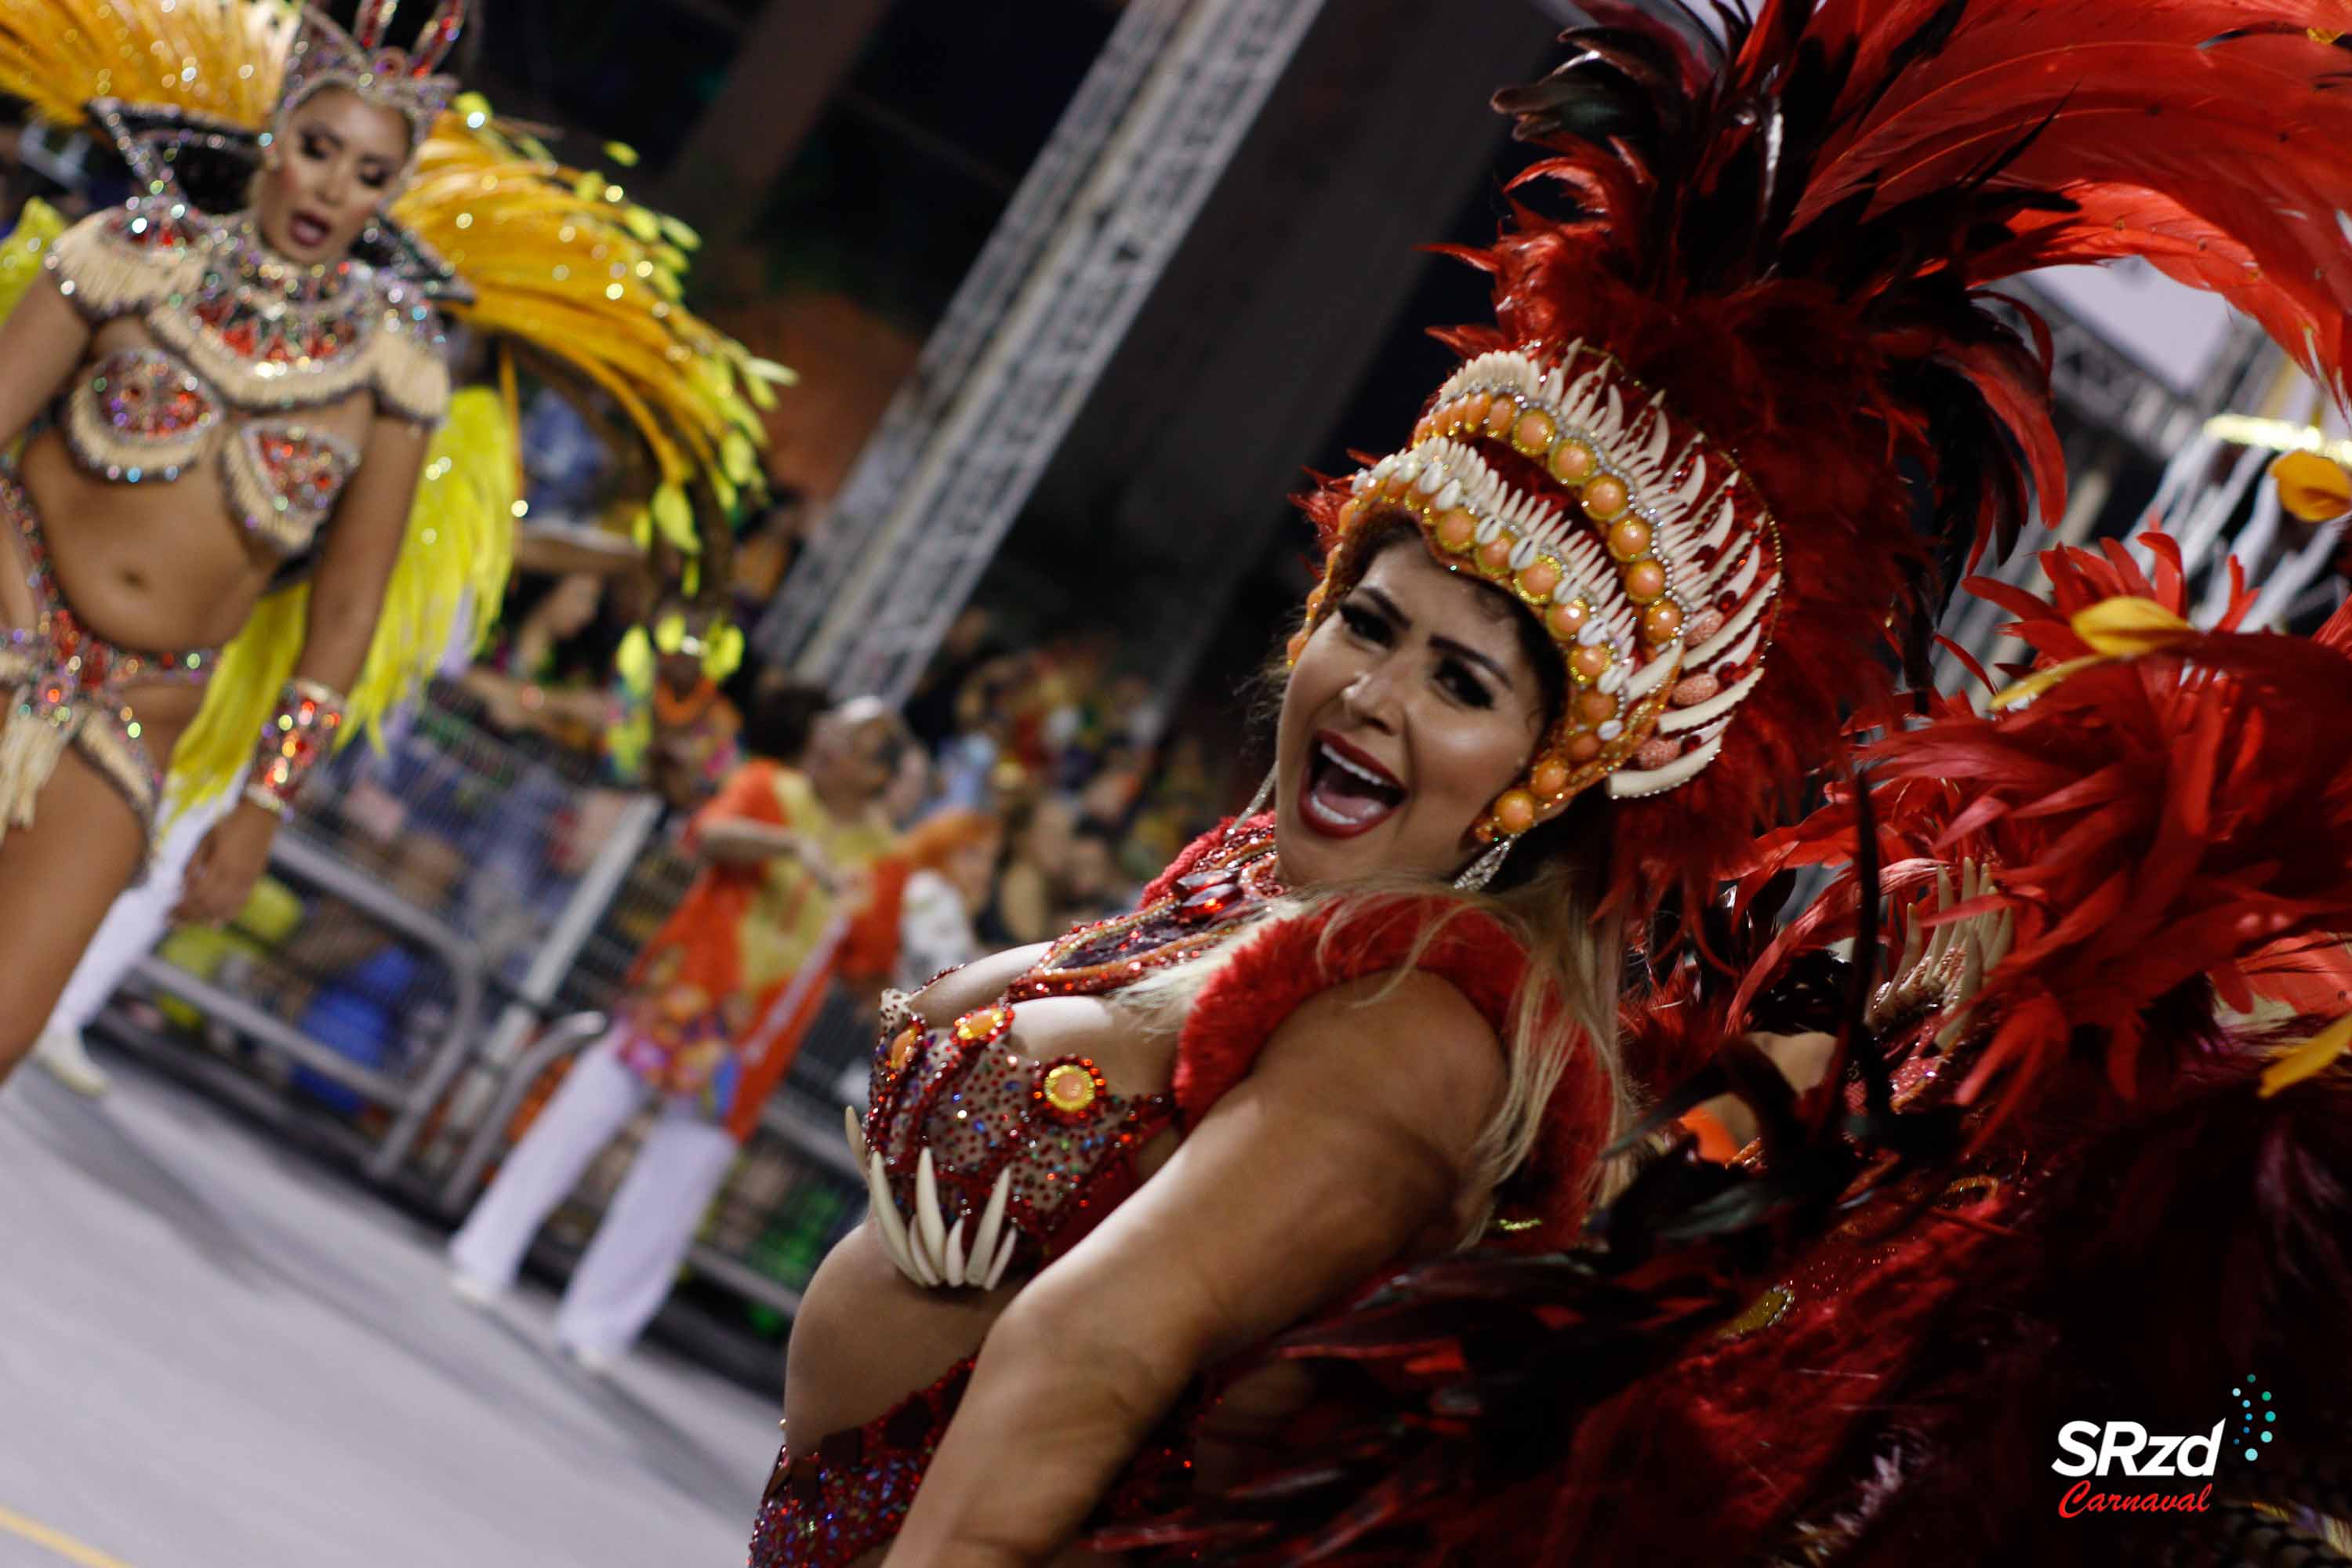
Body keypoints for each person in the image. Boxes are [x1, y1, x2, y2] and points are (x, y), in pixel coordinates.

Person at [1070, 4, 2352, 1564]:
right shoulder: (1717, 1036)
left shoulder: (2153, 1220)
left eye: (2042, 876)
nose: (1940, 930)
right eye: (1980, 841)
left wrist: (2120, 1495)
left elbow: (2193, 1461)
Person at [0, 0, 780, 1084]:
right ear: (272, 139)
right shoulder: (130, 253)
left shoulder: (393, 366)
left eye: (367, 172)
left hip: (139, 715)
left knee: (6, 1024)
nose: (331, 186)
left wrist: (264, 802)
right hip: (7, 632)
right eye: (317, 149)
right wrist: (25, 628)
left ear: (393, 190)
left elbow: (350, 613)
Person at [448, 693, 909, 1367]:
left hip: (751, 1043)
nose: (825, 742)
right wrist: (787, 845)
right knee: (577, 1120)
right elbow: (708, 836)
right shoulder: (765, 787)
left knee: (678, 1179)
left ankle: (599, 1327)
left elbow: (867, 967)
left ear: (875, 775)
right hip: (678, 996)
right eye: (829, 729)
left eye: (848, 741)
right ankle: (484, 1253)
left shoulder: (886, 862)